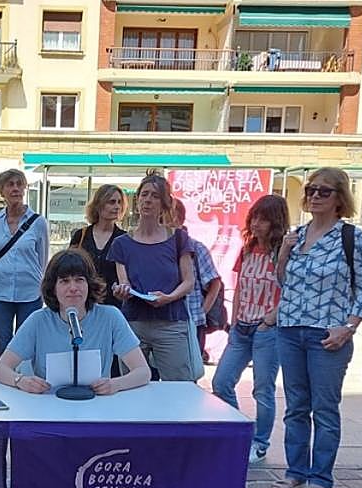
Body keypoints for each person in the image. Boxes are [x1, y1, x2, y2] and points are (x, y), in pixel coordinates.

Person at [0, 248, 150, 488]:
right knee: (38, 466)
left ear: (90, 284)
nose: (73, 288)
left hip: (93, 415)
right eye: (64, 281)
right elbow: (1, 369)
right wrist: (22, 380)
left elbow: (142, 371)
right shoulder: (39, 320)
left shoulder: (110, 317)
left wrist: (115, 384)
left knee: (80, 473)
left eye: (79, 279)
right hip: (47, 415)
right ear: (53, 287)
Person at [272, 168, 362, 488]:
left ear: (340, 198)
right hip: (290, 328)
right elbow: (284, 283)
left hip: (328, 332)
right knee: (295, 407)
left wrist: (349, 327)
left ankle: (321, 479)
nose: (315, 196)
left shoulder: (351, 237)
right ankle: (295, 473)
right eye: (311, 190)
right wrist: (283, 253)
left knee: (325, 409)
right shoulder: (297, 235)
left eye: (324, 191)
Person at [211, 194, 289, 466]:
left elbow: (291, 291)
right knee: (221, 382)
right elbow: (240, 287)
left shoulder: (282, 252)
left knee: (263, 389)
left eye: (263, 219)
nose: (256, 224)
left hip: (267, 329)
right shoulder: (247, 249)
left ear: (275, 222)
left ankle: (260, 442)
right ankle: (241, 432)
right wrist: (233, 321)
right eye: (254, 217)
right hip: (241, 327)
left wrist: (270, 319)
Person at [106, 174, 196, 381]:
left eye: (155, 196)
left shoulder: (179, 238)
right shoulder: (121, 244)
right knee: (132, 385)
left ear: (164, 203)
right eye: (144, 194)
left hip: (171, 324)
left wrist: (169, 297)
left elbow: (189, 281)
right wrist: (121, 291)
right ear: (137, 199)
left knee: (179, 386)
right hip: (133, 324)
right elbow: (124, 283)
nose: (148, 200)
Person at [0, 168, 50, 361]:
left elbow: (42, 261)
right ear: (1, 191)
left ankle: (25, 378)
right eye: (10, 184)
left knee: (27, 346)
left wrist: (40, 287)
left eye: (19, 184)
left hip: (30, 294)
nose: (15, 188)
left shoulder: (38, 223)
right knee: (3, 345)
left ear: (25, 188)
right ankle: (2, 378)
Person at [171, 199, 223, 364]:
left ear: (178, 219)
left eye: (166, 216)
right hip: (162, 322)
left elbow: (215, 283)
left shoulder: (195, 247)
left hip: (191, 322)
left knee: (188, 372)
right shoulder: (154, 247)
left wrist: (201, 312)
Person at [70, 183, 128, 310]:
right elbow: (69, 268)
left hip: (113, 306)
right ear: (99, 205)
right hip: (83, 304)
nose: (117, 207)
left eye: (119, 202)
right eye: (111, 202)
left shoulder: (124, 239)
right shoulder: (81, 235)